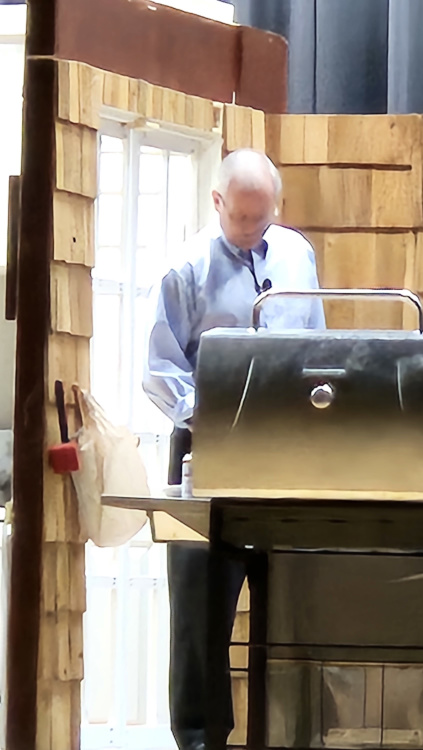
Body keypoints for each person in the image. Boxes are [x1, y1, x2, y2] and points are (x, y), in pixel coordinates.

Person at [143, 148, 325, 750]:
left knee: (288, 605)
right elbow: (160, 369)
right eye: (242, 219)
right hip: (209, 452)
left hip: (287, 455)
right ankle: (199, 740)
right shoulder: (183, 268)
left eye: (263, 217)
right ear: (216, 202)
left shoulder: (296, 252)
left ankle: (284, 734)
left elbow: (316, 342)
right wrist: (217, 419)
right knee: (201, 615)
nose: (253, 231)